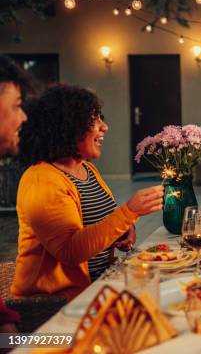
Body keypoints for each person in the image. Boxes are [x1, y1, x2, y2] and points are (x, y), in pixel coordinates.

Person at [11, 84, 163, 299]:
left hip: (100, 286)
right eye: (95, 119)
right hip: (54, 304)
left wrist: (123, 229)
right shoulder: (42, 179)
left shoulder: (87, 169)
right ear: (67, 126)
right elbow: (70, 251)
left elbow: (99, 225)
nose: (105, 127)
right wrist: (129, 212)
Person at [0, 55, 32, 333]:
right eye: (17, 106)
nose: (23, 117)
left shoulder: (90, 173)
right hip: (53, 307)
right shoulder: (42, 179)